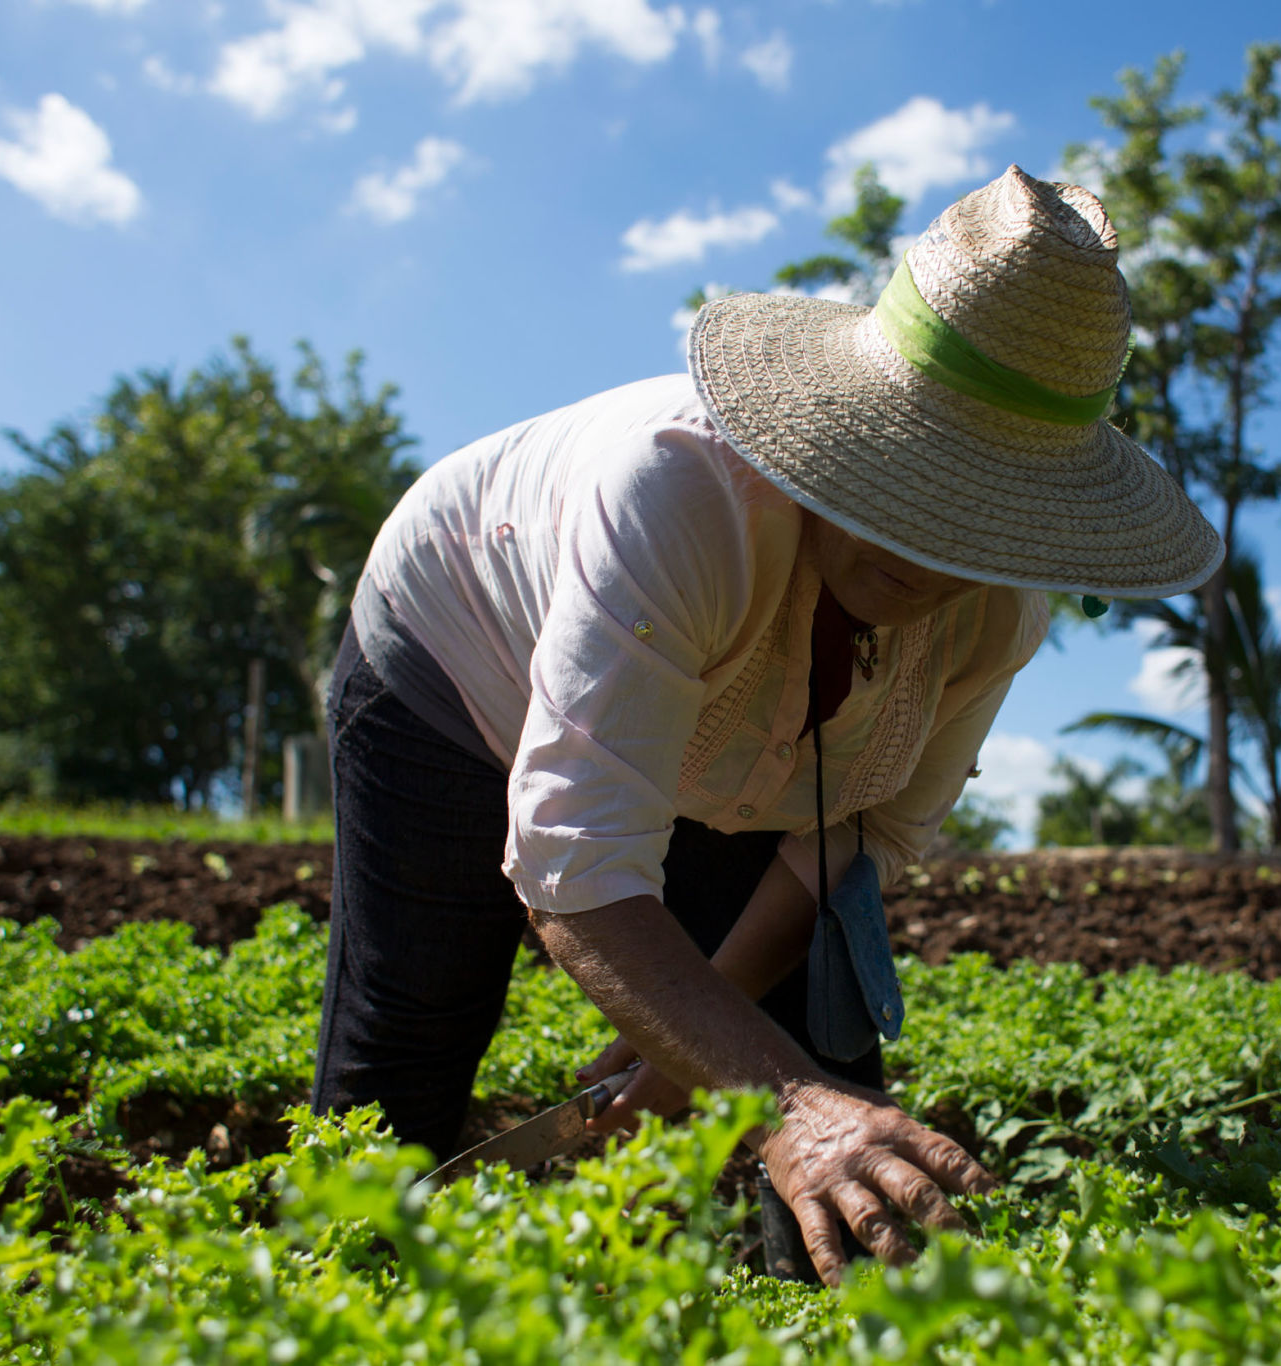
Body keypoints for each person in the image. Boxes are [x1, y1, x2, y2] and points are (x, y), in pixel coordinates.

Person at [310, 165, 1222, 1285]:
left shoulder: (996, 616)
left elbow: (864, 837)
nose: (930, 549)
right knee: (415, 1025)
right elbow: (577, 861)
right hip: (454, 663)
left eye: (976, 513)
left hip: (730, 752)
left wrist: (706, 1060)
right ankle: (338, 1296)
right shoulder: (679, 496)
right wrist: (782, 1101)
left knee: (828, 1088)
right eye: (908, 475)